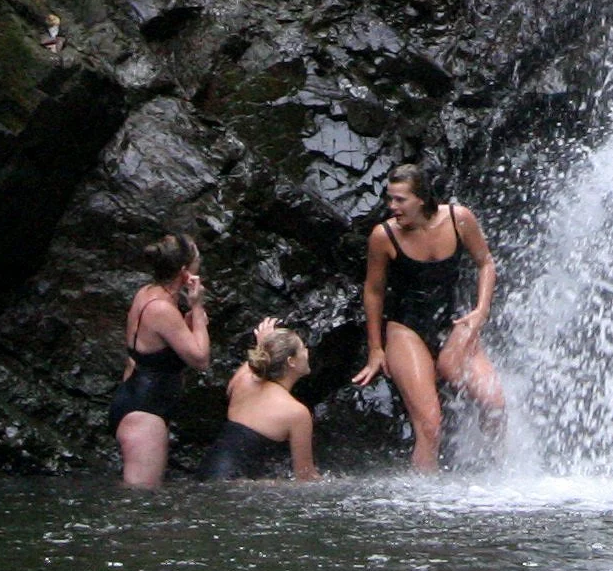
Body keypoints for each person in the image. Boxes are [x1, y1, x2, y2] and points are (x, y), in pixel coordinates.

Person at [352, 161, 504, 471]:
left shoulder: (459, 218)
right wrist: (375, 349)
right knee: (431, 425)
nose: (392, 206)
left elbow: (485, 262)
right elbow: (374, 291)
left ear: (421, 199)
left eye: (400, 199)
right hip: (407, 328)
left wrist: (481, 311)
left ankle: (495, 472)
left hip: (454, 322)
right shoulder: (384, 236)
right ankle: (424, 493)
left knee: (495, 404)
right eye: (389, 198)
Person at [109, 229, 211, 487]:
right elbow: (201, 360)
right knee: (141, 499)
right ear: (185, 272)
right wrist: (197, 307)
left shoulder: (147, 293)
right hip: (145, 412)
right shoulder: (161, 308)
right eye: (197, 258)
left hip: (138, 398)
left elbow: (153, 348)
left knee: (143, 498)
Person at [196, 320, 319, 481]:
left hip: (205, 475)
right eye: (303, 348)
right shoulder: (297, 413)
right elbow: (305, 476)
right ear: (291, 361)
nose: (307, 352)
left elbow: (254, 365)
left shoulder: (243, 381)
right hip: (235, 487)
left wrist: (264, 344)